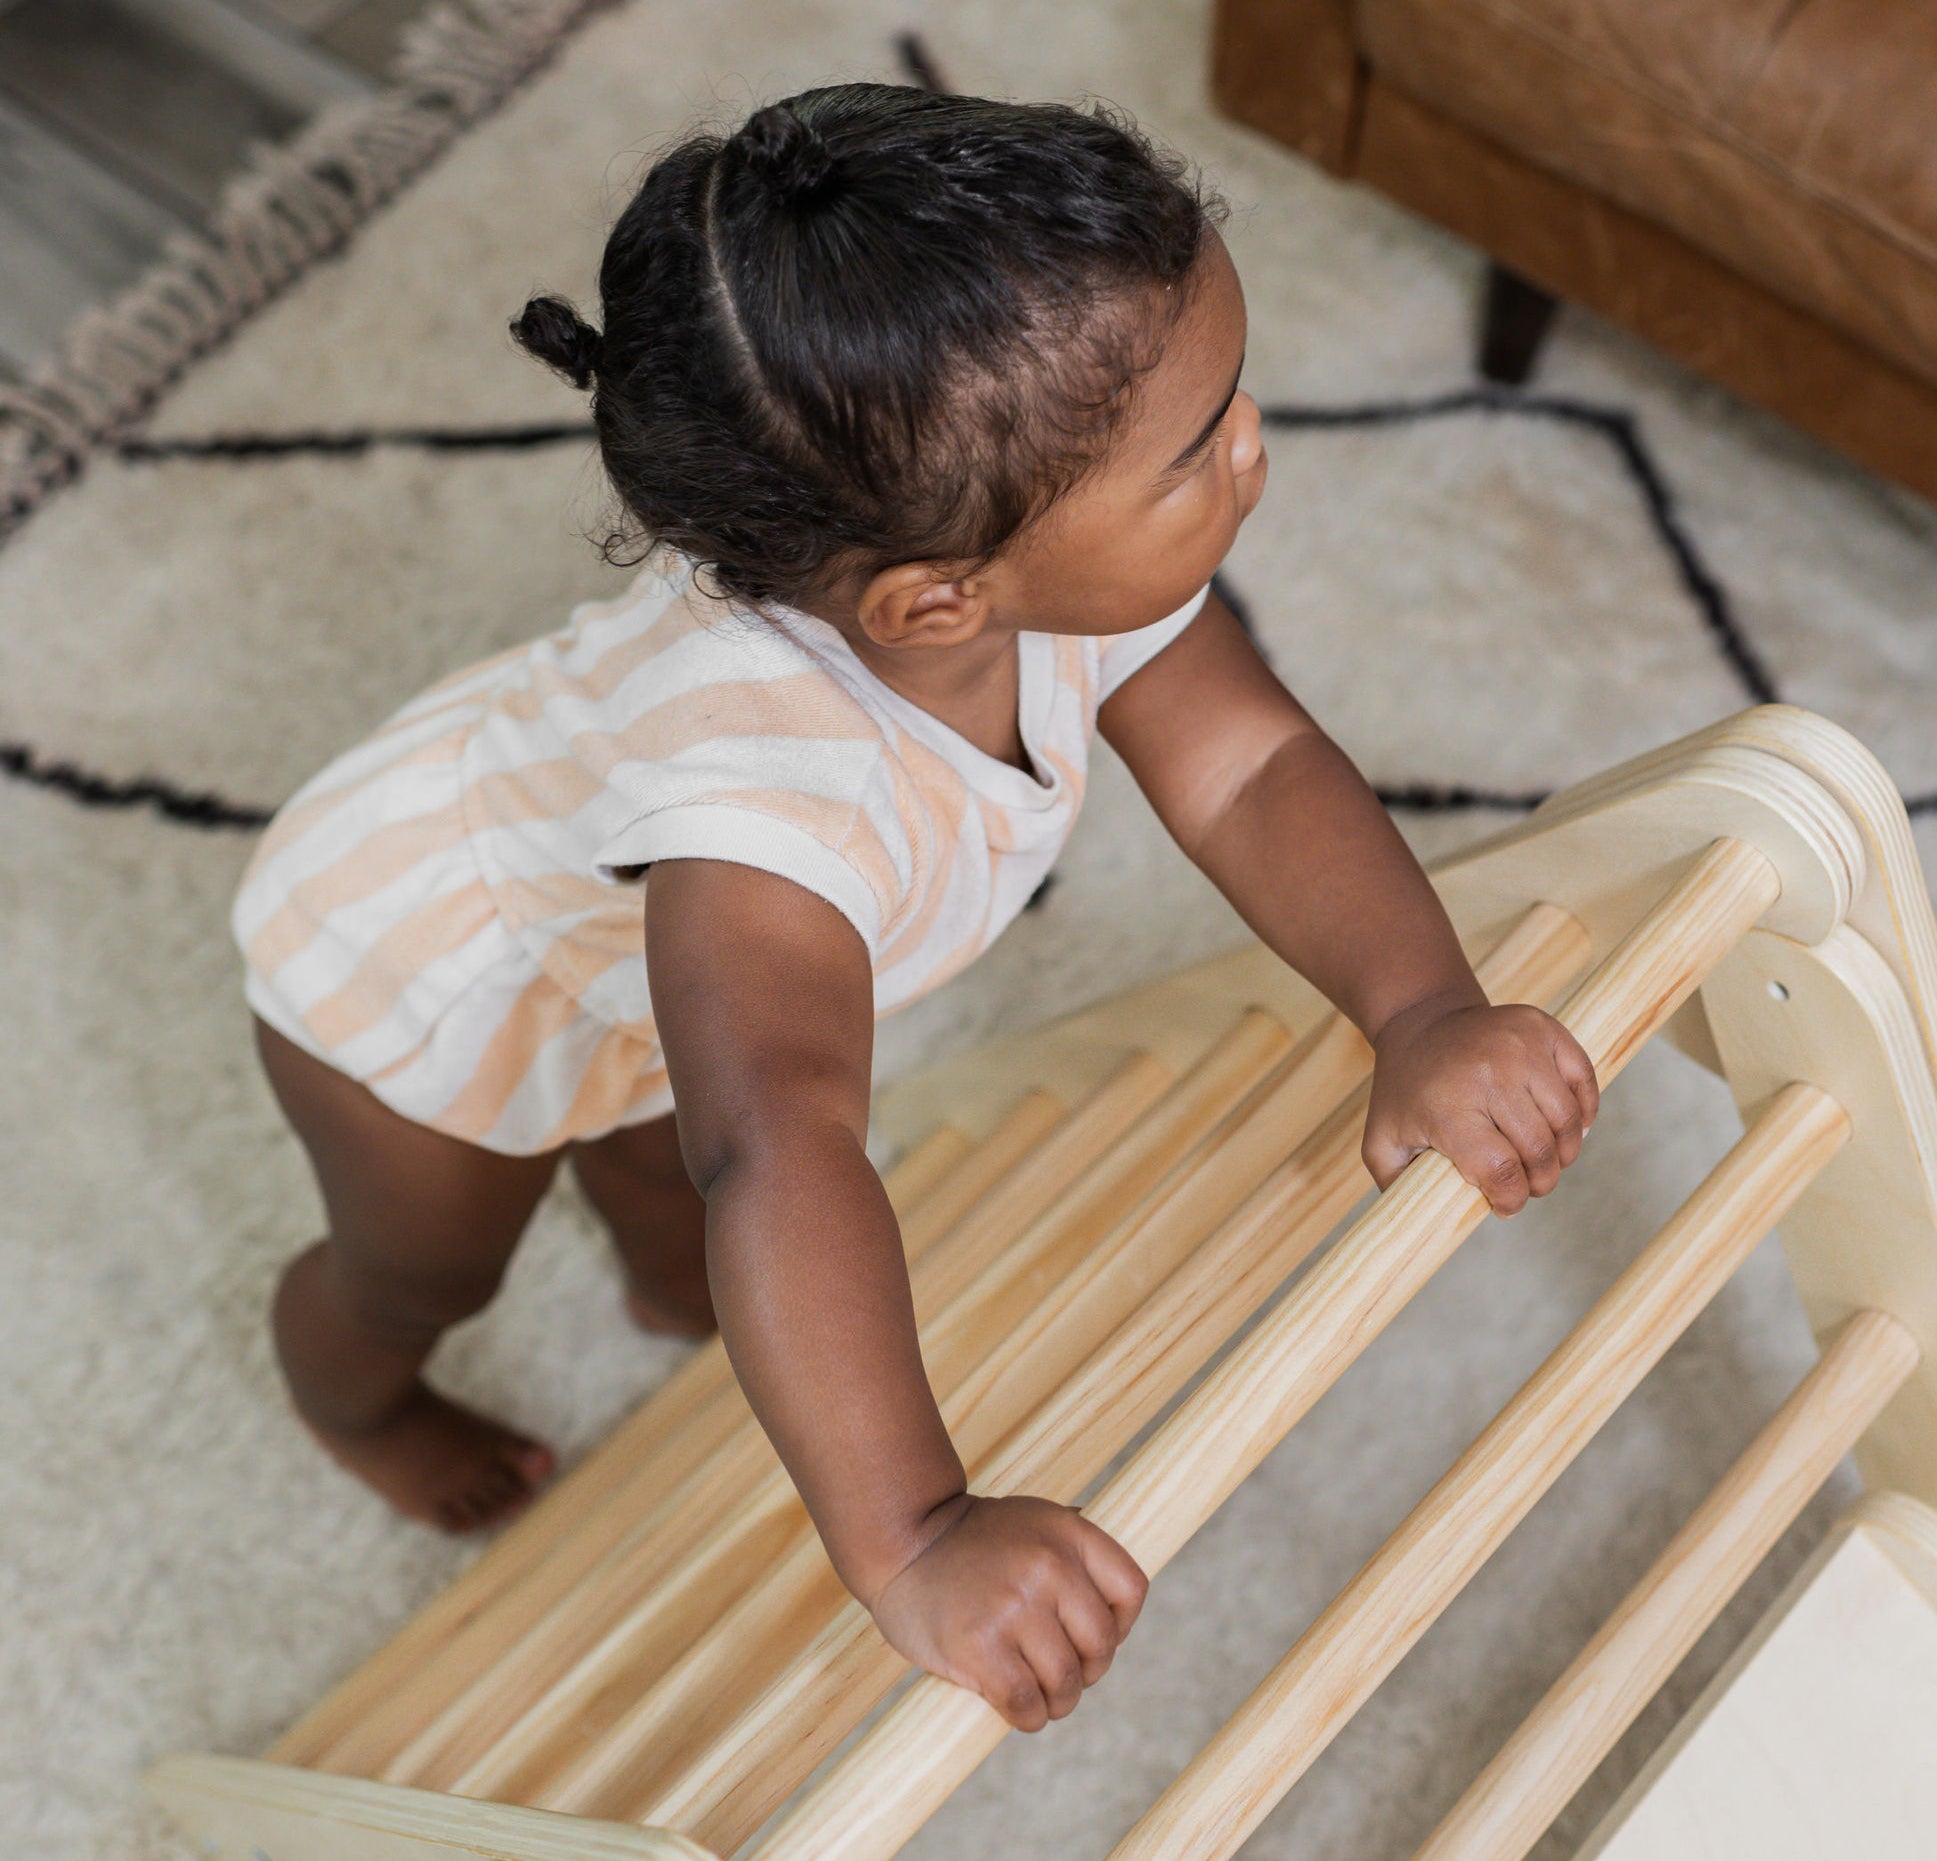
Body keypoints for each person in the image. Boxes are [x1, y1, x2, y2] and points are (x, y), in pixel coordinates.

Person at [232, 83, 1598, 1734]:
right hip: (425, 963)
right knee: (433, 1257)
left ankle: (664, 1267)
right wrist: (917, 1531)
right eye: (1198, 452)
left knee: (668, 1162)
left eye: (1230, 401)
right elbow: (787, 1138)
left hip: (619, 952)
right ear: (940, 600)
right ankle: (357, 1402)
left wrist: (1426, 1009)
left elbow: (1248, 768)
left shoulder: (1055, 566)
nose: (1253, 451)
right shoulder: (760, 811)